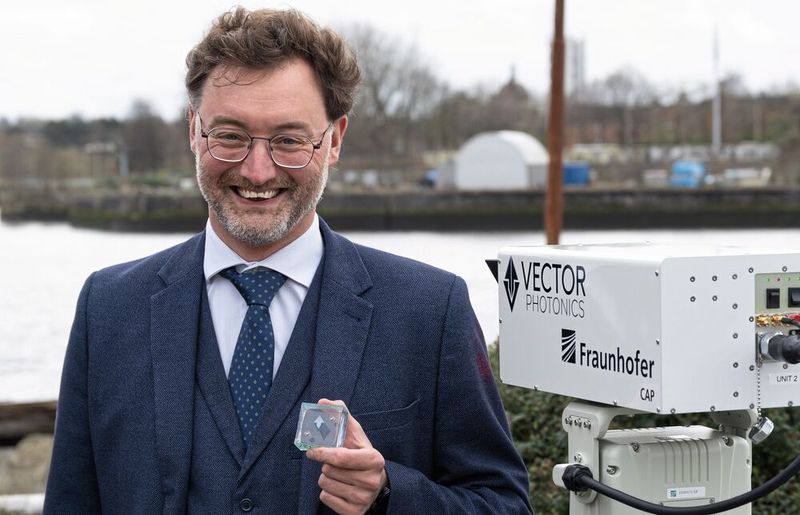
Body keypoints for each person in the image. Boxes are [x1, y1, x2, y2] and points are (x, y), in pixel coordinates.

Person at [44, 7, 532, 514]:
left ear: (335, 140)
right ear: (194, 130)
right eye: (230, 135)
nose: (257, 171)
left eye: (289, 141)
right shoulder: (108, 307)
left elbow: (505, 505)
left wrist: (389, 492)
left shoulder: (429, 311)